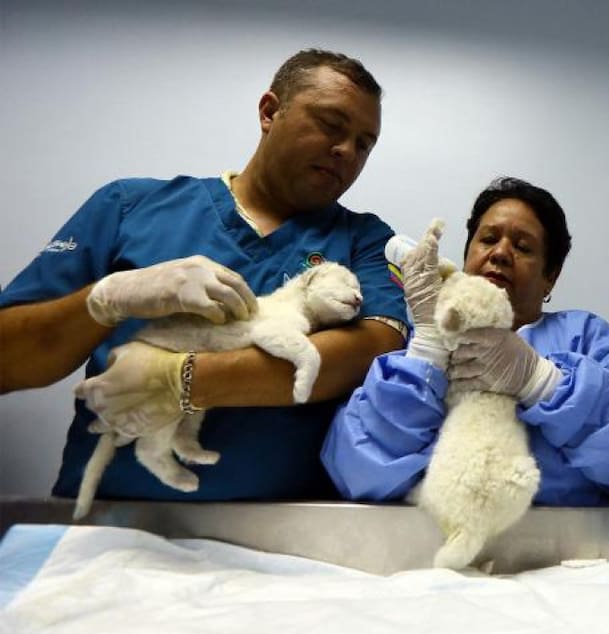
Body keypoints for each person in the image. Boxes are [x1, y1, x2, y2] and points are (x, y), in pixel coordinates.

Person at [0, 49, 407, 501]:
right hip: (109, 522)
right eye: (331, 125)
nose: (346, 151)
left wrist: (181, 379)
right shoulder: (130, 208)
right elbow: (7, 359)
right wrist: (106, 298)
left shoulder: (364, 240)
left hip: (287, 540)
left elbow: (373, 352)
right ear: (270, 112)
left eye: (364, 144)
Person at [321, 177, 609, 505]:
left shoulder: (585, 336)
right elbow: (357, 472)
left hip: (566, 557)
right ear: (466, 257)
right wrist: (427, 352)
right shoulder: (415, 340)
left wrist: (540, 380)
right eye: (489, 239)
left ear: (550, 278)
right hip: (428, 556)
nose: (499, 253)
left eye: (523, 247)